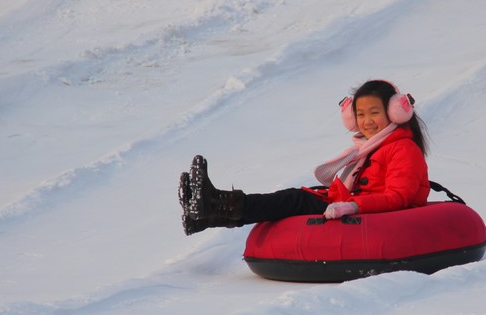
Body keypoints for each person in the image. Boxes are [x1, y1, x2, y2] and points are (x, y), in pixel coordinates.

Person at [178, 79, 430, 235]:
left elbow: (399, 197)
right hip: (350, 203)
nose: (366, 122)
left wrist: (352, 206)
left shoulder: (403, 149)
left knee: (293, 199)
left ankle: (214, 205)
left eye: (374, 113)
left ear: (396, 112)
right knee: (295, 197)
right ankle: (207, 216)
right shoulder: (370, 147)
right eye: (360, 115)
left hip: (373, 215)